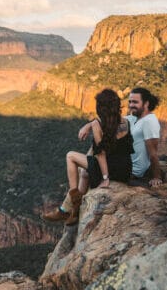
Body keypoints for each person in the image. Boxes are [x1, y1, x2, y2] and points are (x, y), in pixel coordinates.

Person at [43, 89, 133, 225]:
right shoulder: (125, 122)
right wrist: (89, 124)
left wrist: (105, 178)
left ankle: (74, 203)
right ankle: (73, 211)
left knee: (70, 156)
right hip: (125, 170)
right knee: (84, 172)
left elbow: (101, 154)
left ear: (100, 108)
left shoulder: (98, 125)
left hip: (110, 170)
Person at [126, 87, 163, 188]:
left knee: (90, 168)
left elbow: (153, 153)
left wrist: (156, 177)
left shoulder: (149, 121)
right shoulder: (134, 117)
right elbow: (111, 119)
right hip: (127, 166)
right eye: (130, 102)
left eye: (135, 102)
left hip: (134, 173)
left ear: (146, 103)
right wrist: (89, 125)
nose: (131, 105)